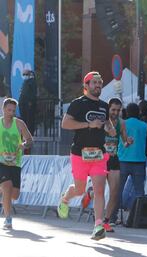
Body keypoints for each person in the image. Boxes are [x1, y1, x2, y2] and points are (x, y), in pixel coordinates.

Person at [58, 71, 116, 241]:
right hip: (79, 154)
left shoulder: (104, 106)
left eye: (100, 82)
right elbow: (65, 124)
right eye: (94, 82)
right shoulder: (78, 103)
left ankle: (98, 225)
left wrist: (109, 128)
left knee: (99, 189)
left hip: (99, 154)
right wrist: (88, 124)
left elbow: (106, 123)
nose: (98, 85)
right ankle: (66, 198)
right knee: (80, 190)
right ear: (87, 85)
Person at [82, 98, 133, 232]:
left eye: (118, 110)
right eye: (113, 110)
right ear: (108, 109)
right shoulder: (102, 122)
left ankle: (106, 221)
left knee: (115, 192)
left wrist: (128, 142)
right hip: (100, 158)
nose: (115, 112)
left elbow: (124, 142)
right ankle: (90, 193)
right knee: (99, 190)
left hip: (114, 159)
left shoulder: (121, 123)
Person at [109, 103, 147, 224]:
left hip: (123, 160)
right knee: (139, 192)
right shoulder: (144, 125)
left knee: (117, 191)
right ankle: (138, 218)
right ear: (139, 112)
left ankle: (112, 217)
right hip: (139, 161)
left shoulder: (122, 123)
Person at [0, 98, 33, 229]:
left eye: (13, 111)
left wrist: (23, 145)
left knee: (14, 194)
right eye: (9, 110)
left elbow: (30, 140)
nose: (11, 113)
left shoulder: (19, 124)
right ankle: (8, 219)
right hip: (1, 162)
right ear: (3, 109)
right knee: (7, 186)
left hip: (15, 162)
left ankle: (3, 195)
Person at [18, 70, 37, 135]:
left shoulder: (32, 82)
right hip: (22, 104)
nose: (24, 76)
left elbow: (33, 94)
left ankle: (29, 133)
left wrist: (30, 102)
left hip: (28, 104)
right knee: (23, 119)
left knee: (29, 119)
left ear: (29, 75)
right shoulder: (25, 82)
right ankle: (23, 133)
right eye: (24, 74)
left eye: (26, 74)